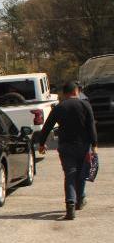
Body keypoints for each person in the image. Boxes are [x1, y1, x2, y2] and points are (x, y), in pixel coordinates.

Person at [38, 81, 98, 220]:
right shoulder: (85, 105)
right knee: (82, 173)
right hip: (83, 145)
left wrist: (41, 143)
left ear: (64, 94)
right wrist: (94, 144)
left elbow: (47, 126)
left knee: (70, 174)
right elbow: (91, 126)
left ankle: (70, 203)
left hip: (66, 146)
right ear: (76, 91)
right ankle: (80, 199)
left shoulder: (59, 107)